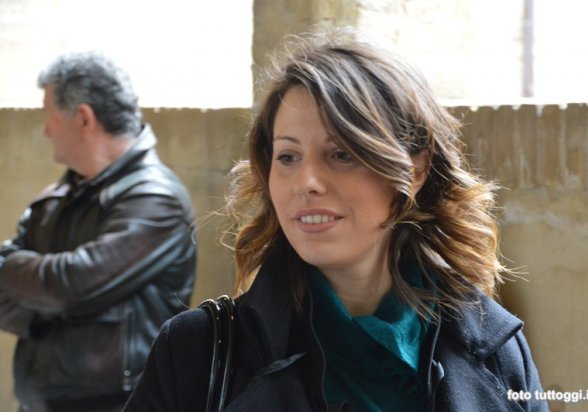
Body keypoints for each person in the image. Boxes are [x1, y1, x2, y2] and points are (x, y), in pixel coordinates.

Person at [124, 30, 548, 412]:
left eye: (341, 154)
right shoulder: (195, 353)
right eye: (288, 156)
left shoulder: (496, 347)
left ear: (414, 170)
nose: (306, 182)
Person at [0, 51, 196, 412]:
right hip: (40, 402)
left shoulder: (156, 199)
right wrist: (48, 294)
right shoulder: (57, 197)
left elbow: (68, 285)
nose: (45, 130)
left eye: (48, 115)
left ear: (83, 118)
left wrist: (32, 287)